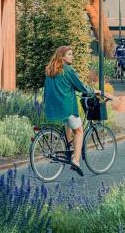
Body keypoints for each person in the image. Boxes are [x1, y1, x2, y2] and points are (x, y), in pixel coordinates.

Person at [44, 46, 100, 177]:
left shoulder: (50, 70)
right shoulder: (68, 70)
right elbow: (81, 86)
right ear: (62, 57)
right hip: (66, 106)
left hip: (53, 107)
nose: (72, 56)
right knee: (79, 130)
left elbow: (47, 90)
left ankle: (68, 145)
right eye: (69, 54)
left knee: (68, 123)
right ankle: (75, 160)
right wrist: (94, 91)